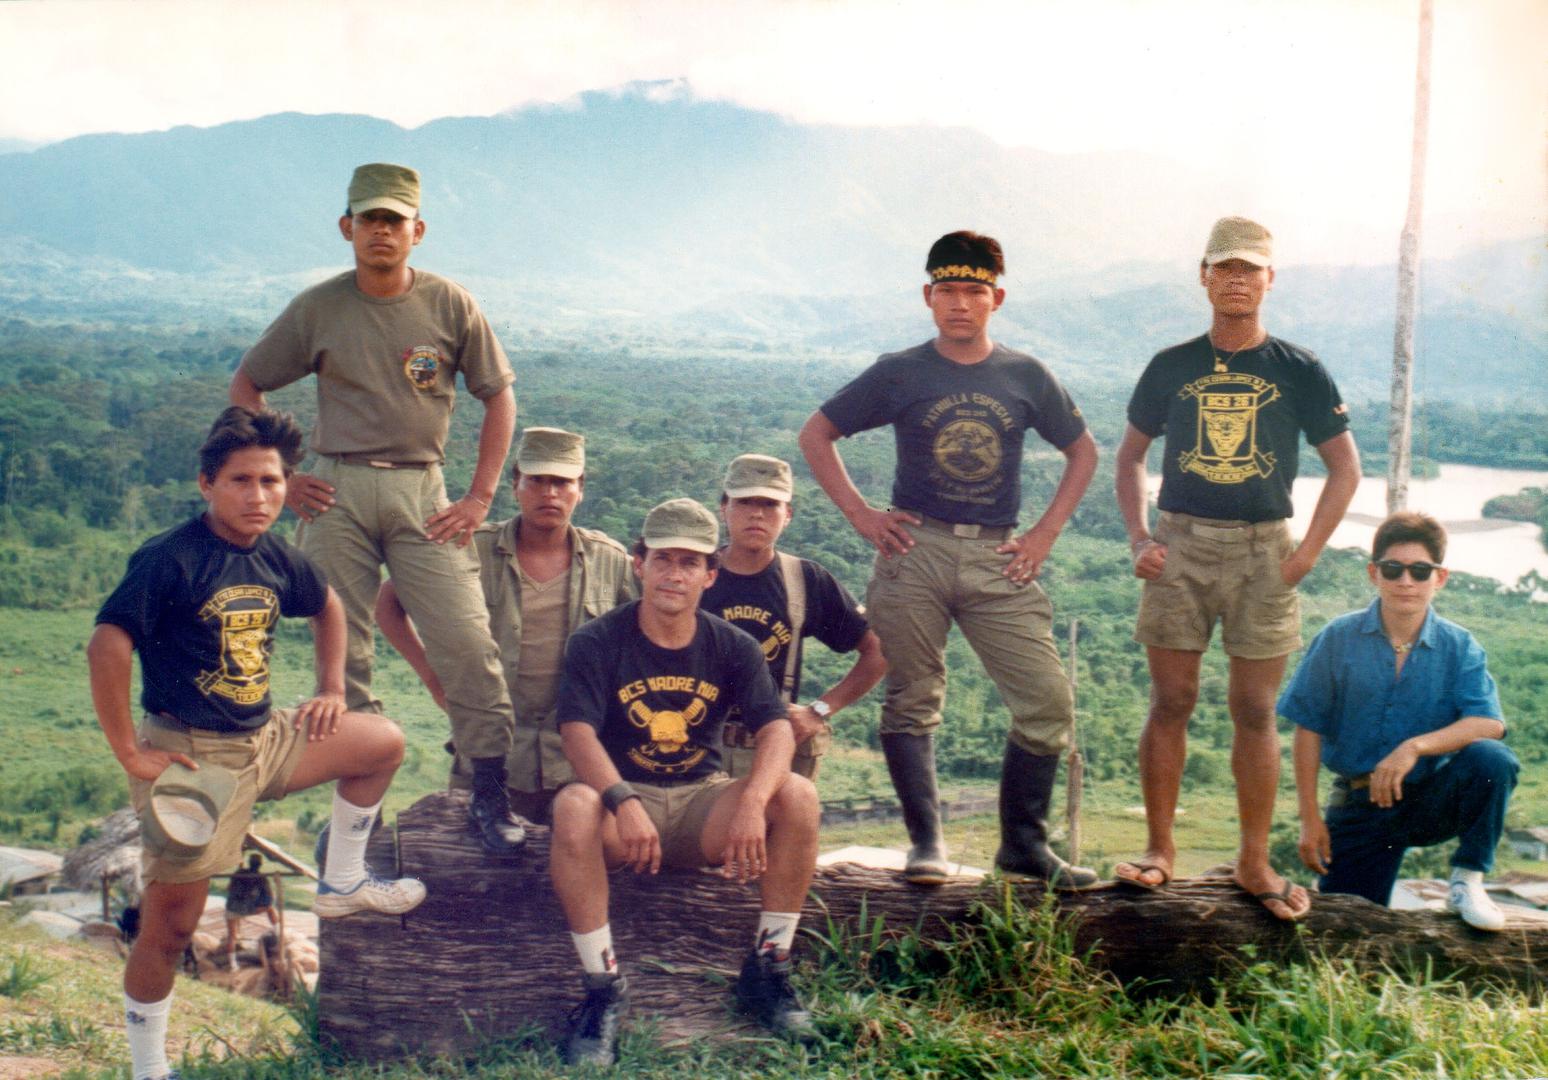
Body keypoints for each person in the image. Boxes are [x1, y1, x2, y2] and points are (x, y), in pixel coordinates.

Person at [88, 407, 425, 1080]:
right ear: (207, 483)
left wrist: (332, 687)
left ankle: (344, 880)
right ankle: (148, 1068)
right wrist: (129, 750)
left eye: (272, 481)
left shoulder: (271, 551)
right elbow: (109, 642)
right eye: (241, 480)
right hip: (194, 757)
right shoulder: (170, 559)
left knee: (380, 742)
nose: (259, 496)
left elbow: (326, 603)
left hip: (264, 738)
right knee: (172, 928)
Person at [228, 162, 525, 856]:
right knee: (343, 659)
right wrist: (286, 475)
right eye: (370, 219)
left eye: (395, 220)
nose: (382, 231)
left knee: (468, 644)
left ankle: (489, 795)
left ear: (417, 231)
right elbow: (247, 383)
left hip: (425, 491)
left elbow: (498, 396)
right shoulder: (319, 308)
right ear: (348, 229)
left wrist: (480, 496)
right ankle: (355, 839)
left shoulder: (451, 305)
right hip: (336, 490)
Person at [799, 230, 1099, 888]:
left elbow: (1084, 452)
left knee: (1047, 701)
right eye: (948, 291)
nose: (960, 304)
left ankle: (1024, 847)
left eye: (974, 291)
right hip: (916, 551)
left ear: (998, 297)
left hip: (999, 554)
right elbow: (817, 433)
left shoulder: (1025, 375)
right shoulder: (901, 370)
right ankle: (926, 843)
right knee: (910, 697)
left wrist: (1045, 533)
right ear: (928, 296)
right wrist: (861, 515)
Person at [1112, 216, 1361, 920]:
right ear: (1203, 275)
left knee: (1255, 710)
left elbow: (1344, 469)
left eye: (1250, 269)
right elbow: (1129, 457)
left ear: (1269, 280)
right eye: (1225, 267)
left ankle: (1253, 859)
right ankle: (1160, 851)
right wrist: (1139, 538)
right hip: (1181, 543)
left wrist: (1305, 553)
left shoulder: (1298, 369)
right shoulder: (1172, 365)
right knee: (1172, 702)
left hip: (1264, 549)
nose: (1237, 279)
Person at [548, 498, 821, 1066]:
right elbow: (576, 731)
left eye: (690, 562)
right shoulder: (598, 640)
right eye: (663, 558)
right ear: (638, 564)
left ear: (710, 574)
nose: (675, 573)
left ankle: (769, 968)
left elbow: (776, 729)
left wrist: (751, 801)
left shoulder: (732, 645)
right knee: (575, 804)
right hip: (626, 810)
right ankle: (603, 992)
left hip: (701, 803)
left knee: (796, 793)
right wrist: (621, 799)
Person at [377, 427, 636, 823]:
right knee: (474, 866)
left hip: (576, 764)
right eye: (537, 481)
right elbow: (389, 603)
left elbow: (646, 640)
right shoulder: (469, 548)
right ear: (516, 484)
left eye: (562, 482)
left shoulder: (610, 561)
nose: (549, 493)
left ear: (580, 488)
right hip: (487, 754)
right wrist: (433, 678)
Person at [1281, 512, 1517, 929]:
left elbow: (1488, 722)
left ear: (1439, 578)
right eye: (1393, 569)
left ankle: (1467, 879)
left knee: (1491, 760)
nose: (1406, 581)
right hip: (1361, 804)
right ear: (1375, 573)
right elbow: (1308, 728)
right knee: (1346, 935)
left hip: (1430, 798)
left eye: (1419, 571)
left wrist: (1413, 747)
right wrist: (1309, 818)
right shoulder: (1339, 638)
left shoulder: (1459, 646)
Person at [701, 453, 886, 781]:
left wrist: (820, 710)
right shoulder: (695, 574)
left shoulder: (804, 580)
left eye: (770, 504)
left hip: (774, 752)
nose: (757, 513)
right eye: (745, 502)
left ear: (787, 514)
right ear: (724, 507)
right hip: (698, 751)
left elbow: (880, 651)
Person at [221, 853, 278, 970]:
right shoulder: (261, 877)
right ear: (260, 865)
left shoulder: (239, 873)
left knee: (232, 936)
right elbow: (271, 896)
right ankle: (277, 928)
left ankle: (233, 964)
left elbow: (228, 888)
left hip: (232, 907)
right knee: (271, 908)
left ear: (249, 862)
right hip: (247, 908)